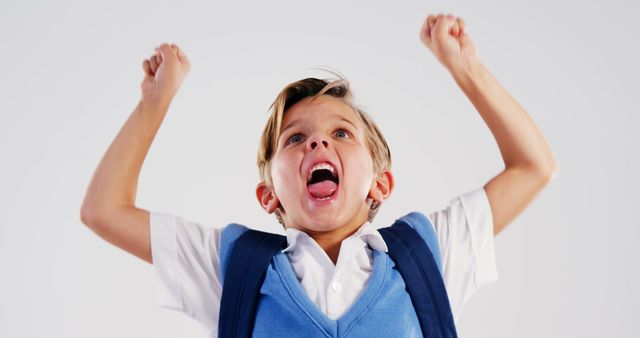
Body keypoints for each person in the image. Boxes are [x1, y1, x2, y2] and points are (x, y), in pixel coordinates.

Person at [80, 13, 559, 337]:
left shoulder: (429, 252)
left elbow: (533, 166)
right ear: (268, 195)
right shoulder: (233, 266)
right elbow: (104, 210)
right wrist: (153, 102)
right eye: (294, 139)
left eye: (342, 134)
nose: (317, 143)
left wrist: (465, 66)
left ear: (381, 184)